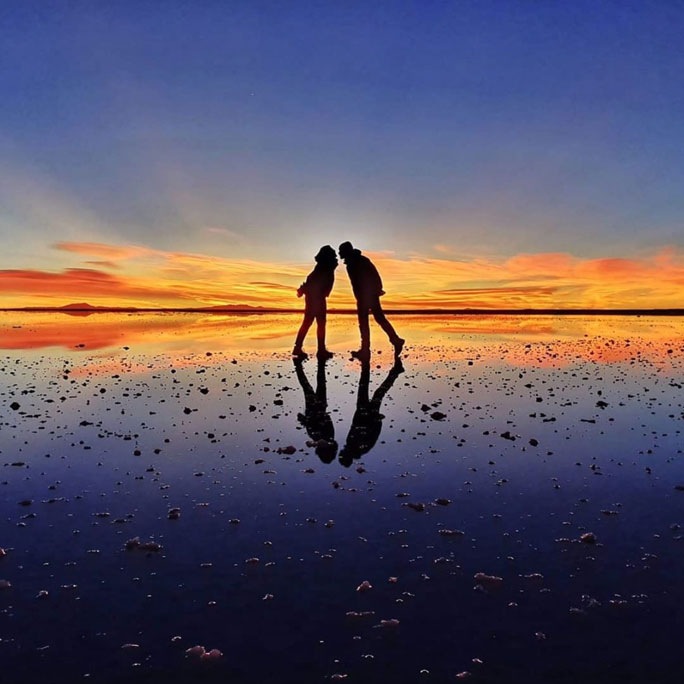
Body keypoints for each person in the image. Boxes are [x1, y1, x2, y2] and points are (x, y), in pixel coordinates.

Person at [338, 241, 404, 361]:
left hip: (367, 296)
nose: (339, 253)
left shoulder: (358, 261)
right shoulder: (355, 262)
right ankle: (394, 341)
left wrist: (375, 291)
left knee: (367, 322)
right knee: (376, 319)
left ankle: (367, 349)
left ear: (346, 251)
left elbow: (373, 276)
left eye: (341, 251)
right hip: (365, 296)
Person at [338, 356, 404, 467]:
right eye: (342, 454)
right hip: (370, 416)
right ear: (347, 456)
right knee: (377, 393)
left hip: (360, 412)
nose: (341, 451)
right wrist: (378, 420)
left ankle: (368, 365)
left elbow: (353, 427)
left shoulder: (351, 445)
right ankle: (394, 371)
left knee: (367, 388)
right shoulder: (362, 447)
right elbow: (374, 434)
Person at [292, 245, 338, 360]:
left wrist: (303, 290)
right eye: (333, 254)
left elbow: (311, 280)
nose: (335, 256)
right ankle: (319, 350)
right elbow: (312, 281)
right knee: (317, 324)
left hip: (314, 298)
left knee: (311, 323)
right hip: (316, 299)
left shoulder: (323, 266)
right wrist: (303, 290)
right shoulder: (324, 267)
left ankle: (302, 348)